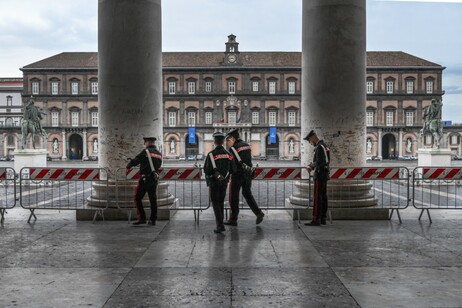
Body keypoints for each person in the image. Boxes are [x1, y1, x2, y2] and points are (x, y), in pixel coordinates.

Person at [224, 128, 265, 226]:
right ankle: (258, 213)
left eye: (230, 138)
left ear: (233, 138)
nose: (229, 140)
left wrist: (228, 174)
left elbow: (232, 163)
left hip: (237, 175)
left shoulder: (233, 148)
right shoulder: (247, 145)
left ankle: (233, 219)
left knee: (233, 197)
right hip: (248, 174)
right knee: (247, 194)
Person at [126, 136, 162, 226]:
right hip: (154, 179)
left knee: (137, 198)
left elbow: (136, 161)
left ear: (147, 142)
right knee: (153, 199)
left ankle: (142, 218)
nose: (144, 144)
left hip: (145, 179)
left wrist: (129, 165)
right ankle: (153, 220)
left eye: (145, 142)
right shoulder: (159, 153)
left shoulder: (146, 152)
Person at [204, 131, 234, 233]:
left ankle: (220, 225)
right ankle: (220, 224)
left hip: (214, 182)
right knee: (221, 202)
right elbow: (233, 169)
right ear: (223, 141)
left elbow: (207, 170)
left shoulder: (211, 154)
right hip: (224, 182)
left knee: (215, 202)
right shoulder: (229, 154)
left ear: (214, 141)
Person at [304, 130, 331, 226]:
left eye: (309, 141)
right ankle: (323, 218)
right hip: (324, 174)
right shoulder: (325, 146)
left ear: (313, 138)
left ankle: (316, 219)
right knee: (323, 197)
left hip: (319, 175)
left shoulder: (319, 147)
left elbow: (320, 161)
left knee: (317, 198)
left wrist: (311, 166)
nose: (310, 143)